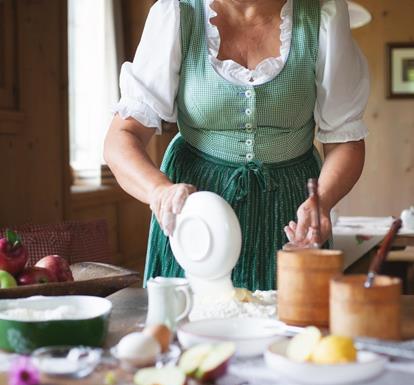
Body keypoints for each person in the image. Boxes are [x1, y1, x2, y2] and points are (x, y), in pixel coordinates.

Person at [104, 0, 369, 291]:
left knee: (291, 326)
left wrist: (323, 200)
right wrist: (159, 191)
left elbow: (346, 139)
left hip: (291, 213)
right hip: (195, 214)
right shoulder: (177, 14)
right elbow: (122, 136)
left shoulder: (321, 15)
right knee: (191, 326)